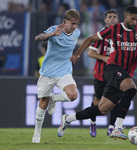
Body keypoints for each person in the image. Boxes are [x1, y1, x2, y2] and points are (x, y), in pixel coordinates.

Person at [58, 5, 137, 140]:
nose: (135, 22)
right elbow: (91, 39)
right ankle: (117, 128)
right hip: (112, 68)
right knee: (131, 89)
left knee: (101, 109)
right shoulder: (114, 30)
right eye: (133, 19)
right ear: (126, 16)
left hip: (125, 73)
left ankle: (68, 118)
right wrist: (77, 54)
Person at [32, 9, 81, 143]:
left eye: (77, 24)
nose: (75, 27)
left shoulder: (77, 32)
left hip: (64, 71)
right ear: (65, 21)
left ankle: (54, 99)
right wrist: (52, 34)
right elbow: (38, 37)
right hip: (48, 72)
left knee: (73, 95)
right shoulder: (55, 29)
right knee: (43, 102)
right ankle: (37, 132)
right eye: (72, 23)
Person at [88, 10, 119, 137]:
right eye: (110, 17)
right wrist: (105, 58)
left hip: (115, 73)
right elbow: (90, 53)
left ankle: (111, 127)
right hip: (101, 72)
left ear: (118, 20)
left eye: (114, 17)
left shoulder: (121, 35)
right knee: (97, 99)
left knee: (115, 100)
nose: (112, 19)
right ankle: (93, 121)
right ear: (105, 20)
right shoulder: (100, 35)